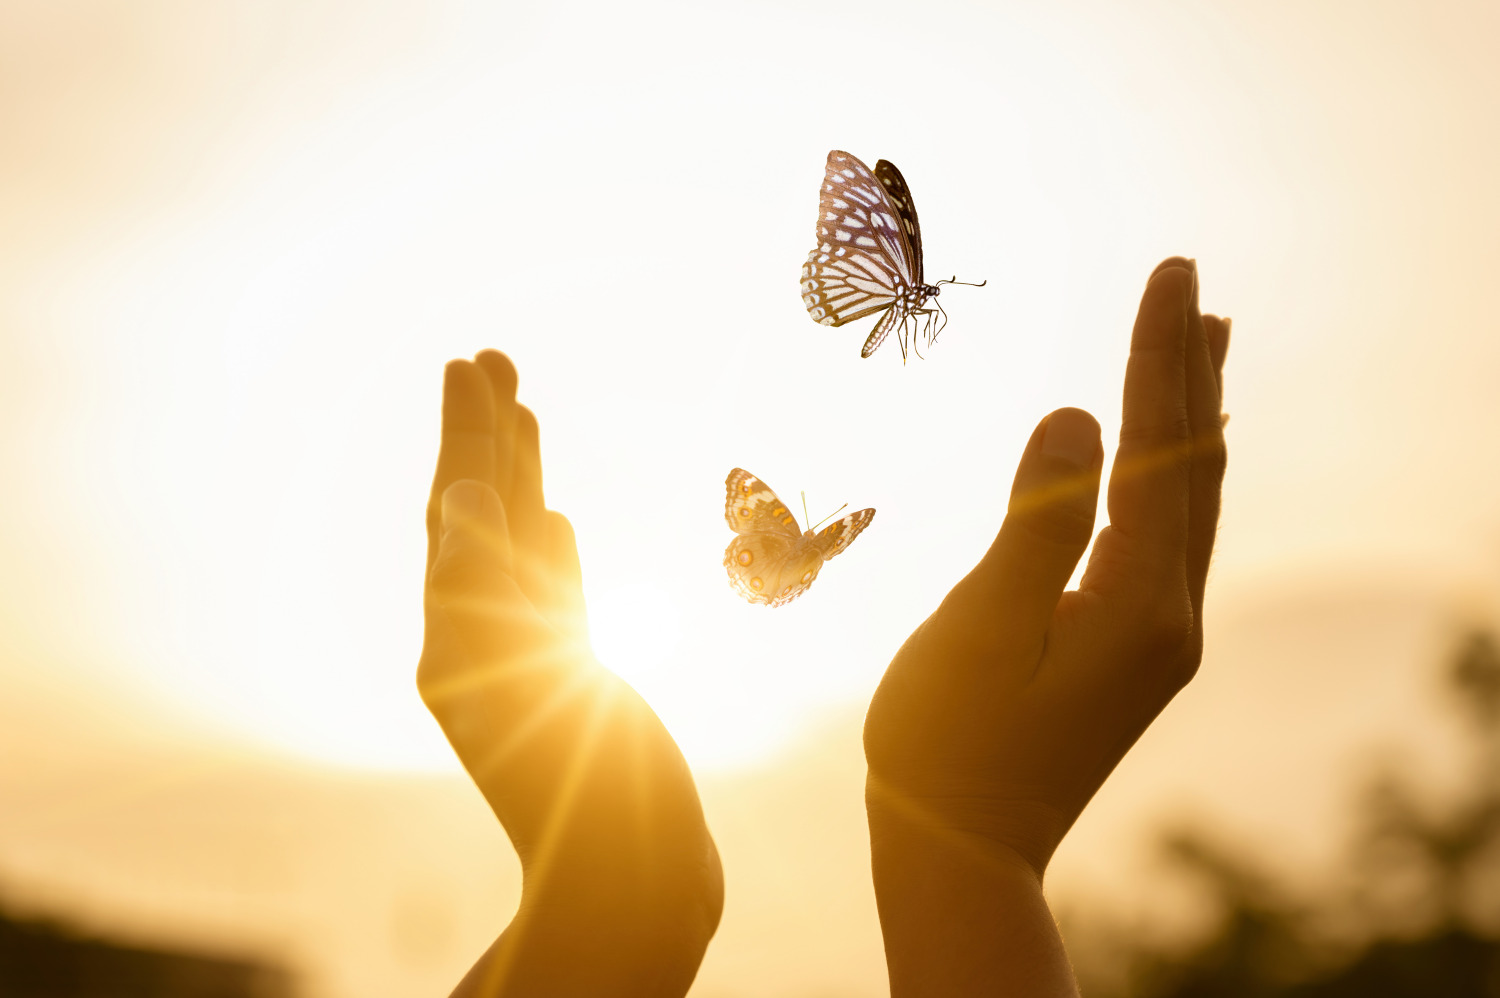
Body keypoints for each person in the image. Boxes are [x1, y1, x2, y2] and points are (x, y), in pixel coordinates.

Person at [418, 257, 1229, 996]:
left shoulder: (810, 534)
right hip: (781, 572)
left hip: (775, 570)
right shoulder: (805, 535)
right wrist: (973, 842)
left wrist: (612, 896)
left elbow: (624, 898)